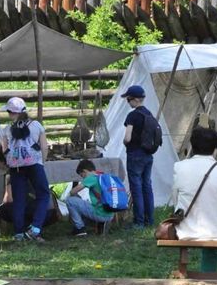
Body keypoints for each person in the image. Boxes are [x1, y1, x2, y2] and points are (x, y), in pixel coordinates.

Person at [171, 126, 217, 273]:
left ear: (192, 146)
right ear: (215, 149)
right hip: (216, 229)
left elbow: (176, 198)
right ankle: (213, 274)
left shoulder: (180, 167)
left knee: (215, 231)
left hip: (186, 227)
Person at [1, 97, 50, 242]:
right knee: (43, 195)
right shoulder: (36, 125)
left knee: (19, 199)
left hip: (16, 167)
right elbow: (44, 147)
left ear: (11, 113)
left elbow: (4, 150)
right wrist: (42, 162)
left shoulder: (7, 129)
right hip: (34, 164)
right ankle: (35, 228)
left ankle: (18, 233)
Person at [0, 148, 59, 228]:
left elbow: (9, 199)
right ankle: (33, 227)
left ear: (3, 162)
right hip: (49, 212)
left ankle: (26, 227)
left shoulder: (11, 174)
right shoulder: (33, 167)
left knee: (3, 209)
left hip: (36, 210)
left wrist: (1, 205)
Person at [122, 85, 155, 229]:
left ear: (135, 99)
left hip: (135, 155)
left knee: (136, 188)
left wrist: (125, 142)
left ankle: (139, 222)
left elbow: (127, 138)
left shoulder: (133, 115)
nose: (128, 102)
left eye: (128, 99)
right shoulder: (149, 114)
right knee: (147, 186)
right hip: (148, 155)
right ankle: (150, 220)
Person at [66, 160, 114, 237]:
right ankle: (100, 224)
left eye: (82, 175)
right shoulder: (102, 175)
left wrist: (77, 197)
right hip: (110, 214)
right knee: (86, 203)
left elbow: (72, 192)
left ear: (85, 171)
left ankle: (79, 229)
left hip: (100, 214)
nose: (83, 178)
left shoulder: (91, 178)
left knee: (70, 200)